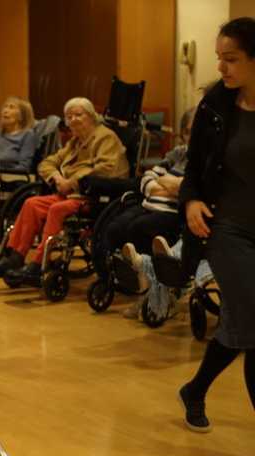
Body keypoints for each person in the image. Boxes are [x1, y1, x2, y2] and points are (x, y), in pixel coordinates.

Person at [177, 17, 255, 433]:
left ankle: (195, 389)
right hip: (227, 230)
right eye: (219, 59)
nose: (222, 68)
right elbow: (193, 167)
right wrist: (189, 199)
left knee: (242, 325)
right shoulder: (215, 107)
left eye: (232, 59)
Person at [0, 97, 128, 281]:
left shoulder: (105, 137)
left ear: (91, 116)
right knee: (31, 203)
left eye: (78, 115)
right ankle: (15, 257)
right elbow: (47, 163)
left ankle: (37, 264)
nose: (73, 119)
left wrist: (73, 182)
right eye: (69, 116)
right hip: (68, 193)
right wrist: (57, 177)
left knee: (56, 209)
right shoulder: (75, 142)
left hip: (93, 196)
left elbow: (106, 168)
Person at [101, 108, 196, 261]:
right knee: (114, 228)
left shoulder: (207, 159)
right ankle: (119, 276)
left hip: (174, 213)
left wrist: (163, 181)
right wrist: (164, 186)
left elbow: (186, 189)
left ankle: (147, 273)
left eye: (196, 131)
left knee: (138, 228)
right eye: (188, 132)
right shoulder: (179, 153)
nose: (191, 137)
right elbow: (147, 178)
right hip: (148, 204)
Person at [0, 96, 37, 173]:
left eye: (11, 107)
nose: (5, 110)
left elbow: (24, 167)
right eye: (5, 106)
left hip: (14, 180)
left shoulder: (28, 135)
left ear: (21, 116)